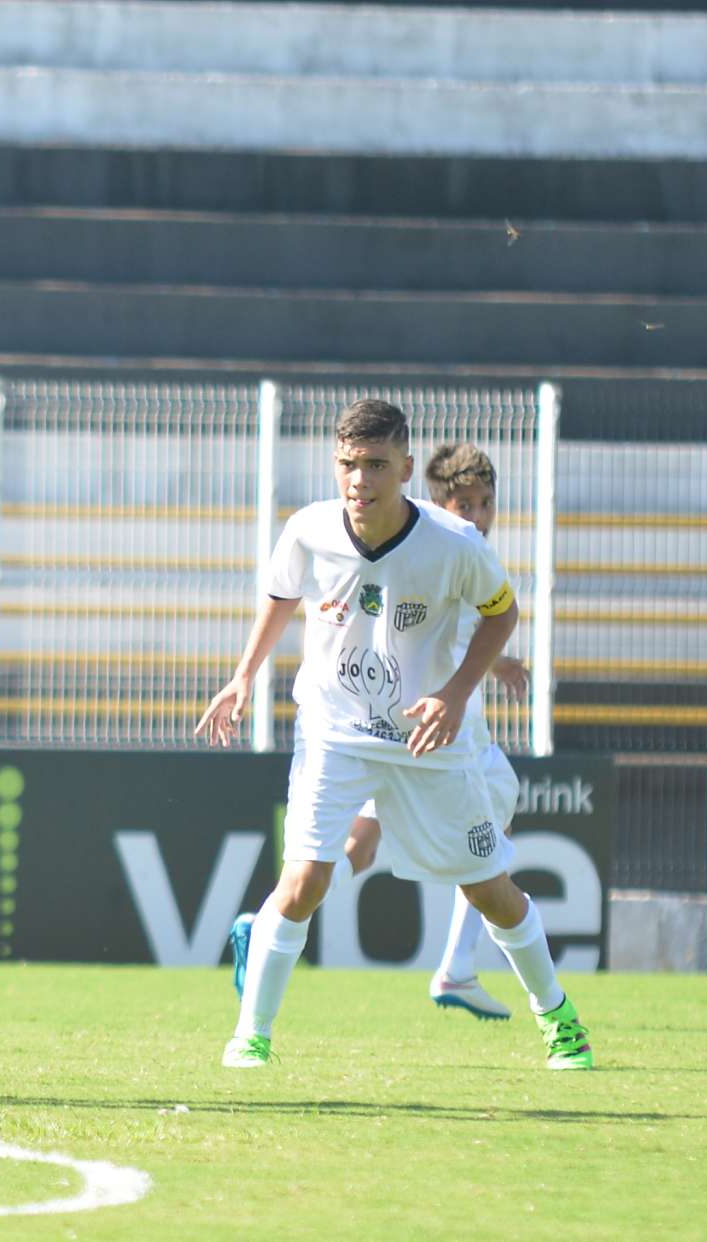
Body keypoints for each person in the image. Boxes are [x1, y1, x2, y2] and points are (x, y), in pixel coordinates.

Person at [198, 398, 593, 1071]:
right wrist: (242, 678)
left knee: (489, 890)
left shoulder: (453, 544)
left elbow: (504, 614)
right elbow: (280, 592)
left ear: (406, 468)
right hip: (336, 730)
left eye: (376, 464)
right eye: (348, 464)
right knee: (302, 881)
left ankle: (558, 1018)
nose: (359, 480)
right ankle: (251, 1035)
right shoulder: (310, 529)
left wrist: (456, 693)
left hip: (428, 744)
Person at [234, 442, 532, 1021]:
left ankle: (275, 917)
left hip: (386, 723)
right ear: (438, 502)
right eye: (465, 502)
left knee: (360, 848)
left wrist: (498, 665)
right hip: (432, 734)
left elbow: (456, 632)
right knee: (484, 854)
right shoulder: (443, 545)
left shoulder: (454, 550)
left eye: (487, 502)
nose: (477, 514)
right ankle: (456, 967)